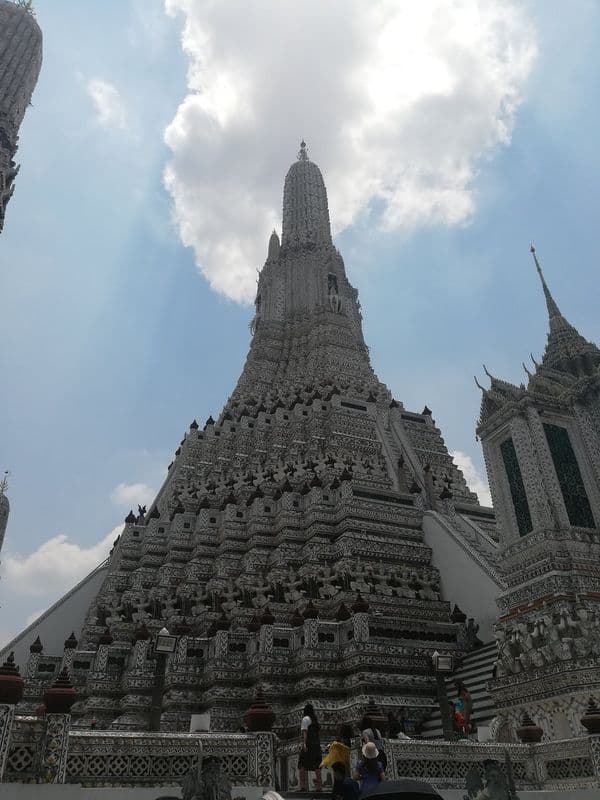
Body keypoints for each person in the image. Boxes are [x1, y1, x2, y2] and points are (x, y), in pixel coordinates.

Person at [298, 702, 323, 791]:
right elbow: (318, 734)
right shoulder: (315, 720)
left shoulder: (305, 719)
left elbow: (305, 733)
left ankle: (302, 786)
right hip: (316, 744)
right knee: (317, 765)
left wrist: (304, 744)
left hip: (308, 744)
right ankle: (319, 786)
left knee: (302, 764)